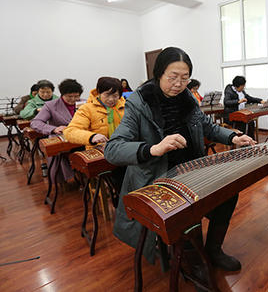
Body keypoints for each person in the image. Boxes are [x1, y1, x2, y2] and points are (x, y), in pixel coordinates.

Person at [104, 47, 255, 274]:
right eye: (172, 77)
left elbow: (207, 126)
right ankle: (190, 261)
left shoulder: (188, 99)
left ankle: (213, 250)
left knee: (227, 194)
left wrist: (233, 136)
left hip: (191, 169)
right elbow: (112, 149)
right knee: (185, 210)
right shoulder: (139, 103)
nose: (178, 84)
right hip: (157, 178)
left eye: (185, 78)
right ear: (158, 74)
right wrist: (153, 148)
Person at [31, 79, 84, 184]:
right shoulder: (51, 105)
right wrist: (54, 129)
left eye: (76, 96)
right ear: (62, 94)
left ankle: (87, 177)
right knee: (60, 153)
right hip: (62, 139)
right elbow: (35, 122)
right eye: (69, 96)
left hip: (81, 137)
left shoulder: (83, 103)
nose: (73, 99)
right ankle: (71, 178)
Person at [64, 77, 125, 148]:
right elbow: (70, 132)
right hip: (98, 151)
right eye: (107, 95)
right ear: (99, 92)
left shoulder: (126, 107)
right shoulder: (87, 109)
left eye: (115, 96)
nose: (111, 99)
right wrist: (92, 137)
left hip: (122, 149)